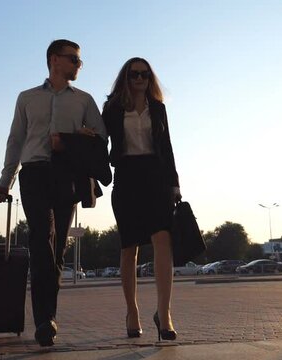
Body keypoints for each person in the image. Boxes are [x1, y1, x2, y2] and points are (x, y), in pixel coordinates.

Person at [0, 39, 107, 347]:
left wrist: (74, 139)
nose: (79, 65)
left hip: (66, 175)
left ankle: (48, 317)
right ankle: (44, 321)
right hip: (34, 174)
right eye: (74, 59)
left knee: (56, 252)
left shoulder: (84, 100)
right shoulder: (27, 98)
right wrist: (5, 182)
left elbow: (101, 136)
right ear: (55, 60)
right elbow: (15, 140)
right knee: (40, 241)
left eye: (79, 61)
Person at [102, 57, 181, 341]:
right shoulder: (112, 108)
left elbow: (168, 147)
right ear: (126, 77)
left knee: (163, 241)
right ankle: (132, 311)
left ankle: (164, 312)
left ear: (150, 78)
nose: (139, 79)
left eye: (145, 75)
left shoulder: (158, 109)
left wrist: (174, 183)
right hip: (126, 177)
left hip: (156, 176)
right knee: (129, 247)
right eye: (134, 74)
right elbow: (101, 142)